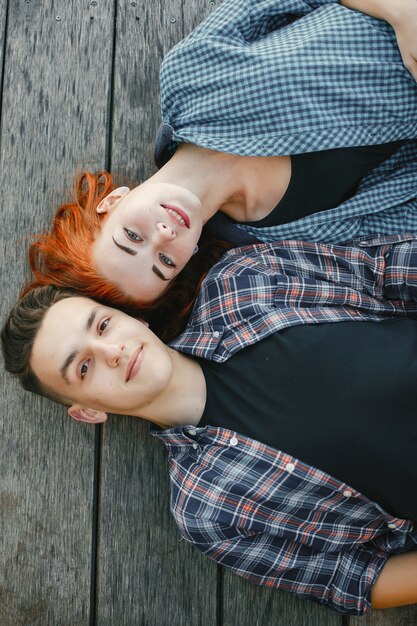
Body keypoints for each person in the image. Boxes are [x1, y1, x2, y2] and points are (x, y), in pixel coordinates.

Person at [4, 233, 417, 614]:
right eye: (84, 367)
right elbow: (355, 580)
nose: (112, 351)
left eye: (103, 324)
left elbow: (382, 270)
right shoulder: (207, 511)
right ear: (87, 412)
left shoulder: (241, 281)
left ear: (131, 317)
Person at [25, 0, 417, 311]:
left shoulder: (191, 76)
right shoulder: (281, 241)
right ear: (188, 258)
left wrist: (400, 10)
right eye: (165, 263)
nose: (163, 236)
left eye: (132, 235)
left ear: (112, 202)